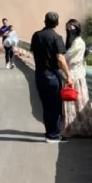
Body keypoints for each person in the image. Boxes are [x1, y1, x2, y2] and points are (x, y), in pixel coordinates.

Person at [30, 12, 71, 143]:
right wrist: (68, 75)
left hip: (39, 75)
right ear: (57, 23)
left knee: (46, 105)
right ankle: (53, 135)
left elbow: (34, 52)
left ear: (44, 21)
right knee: (55, 106)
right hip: (52, 75)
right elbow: (60, 58)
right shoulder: (57, 37)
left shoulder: (36, 35)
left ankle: (51, 133)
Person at [62, 19, 92, 137]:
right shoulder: (74, 42)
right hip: (72, 75)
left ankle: (80, 129)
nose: (69, 31)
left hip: (75, 76)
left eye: (71, 28)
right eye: (67, 28)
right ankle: (75, 129)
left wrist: (59, 58)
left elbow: (67, 57)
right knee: (73, 103)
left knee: (76, 102)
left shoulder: (78, 43)